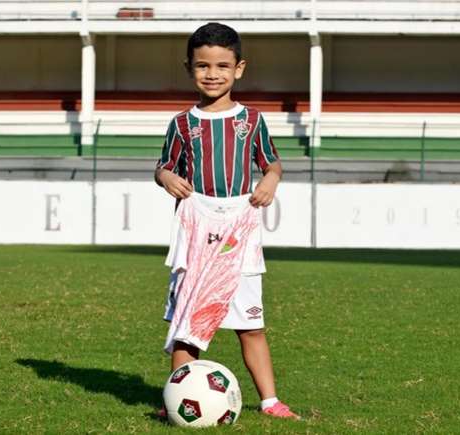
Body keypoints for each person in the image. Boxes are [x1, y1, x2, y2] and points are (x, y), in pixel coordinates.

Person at [153, 22, 299, 420]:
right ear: (190, 69)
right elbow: (162, 166)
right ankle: (176, 401)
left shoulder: (251, 121)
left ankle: (270, 401)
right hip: (196, 231)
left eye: (221, 65)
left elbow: (271, 162)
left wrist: (270, 179)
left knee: (250, 324)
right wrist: (167, 178)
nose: (212, 73)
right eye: (202, 66)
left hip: (239, 230)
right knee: (188, 324)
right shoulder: (183, 124)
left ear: (239, 68)